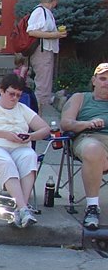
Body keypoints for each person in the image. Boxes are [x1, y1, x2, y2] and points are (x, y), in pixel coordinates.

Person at [0, 73, 51, 228]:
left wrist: (30, 136)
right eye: (11, 94)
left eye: (18, 95)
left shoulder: (22, 109)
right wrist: (6, 134)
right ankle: (23, 209)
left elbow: (45, 129)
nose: (15, 98)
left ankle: (20, 210)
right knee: (5, 161)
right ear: (2, 90)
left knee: (30, 157)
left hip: (19, 147)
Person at [59, 62, 108, 228]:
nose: (106, 82)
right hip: (88, 138)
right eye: (102, 78)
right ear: (94, 80)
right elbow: (65, 123)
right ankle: (92, 207)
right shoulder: (80, 98)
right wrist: (88, 123)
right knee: (94, 151)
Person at [26, 0, 67, 112]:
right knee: (42, 85)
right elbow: (31, 31)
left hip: (46, 50)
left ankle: (40, 111)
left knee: (45, 83)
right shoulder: (40, 11)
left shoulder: (46, 12)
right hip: (41, 51)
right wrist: (55, 35)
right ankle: (38, 112)